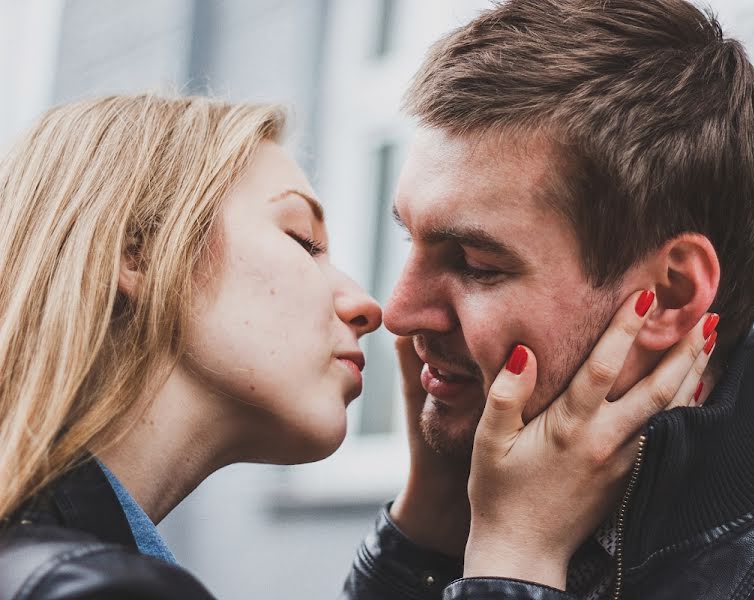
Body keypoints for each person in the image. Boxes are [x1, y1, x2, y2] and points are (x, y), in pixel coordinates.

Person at [0, 94, 712, 599]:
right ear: (140, 254)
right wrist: (515, 563)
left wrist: (428, 526)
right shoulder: (92, 588)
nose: (376, 306)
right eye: (302, 241)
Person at [342, 1, 754, 599]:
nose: (397, 312)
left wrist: (514, 561)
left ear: (668, 295)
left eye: (476, 264)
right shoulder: (456, 509)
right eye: (409, 238)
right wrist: (427, 534)